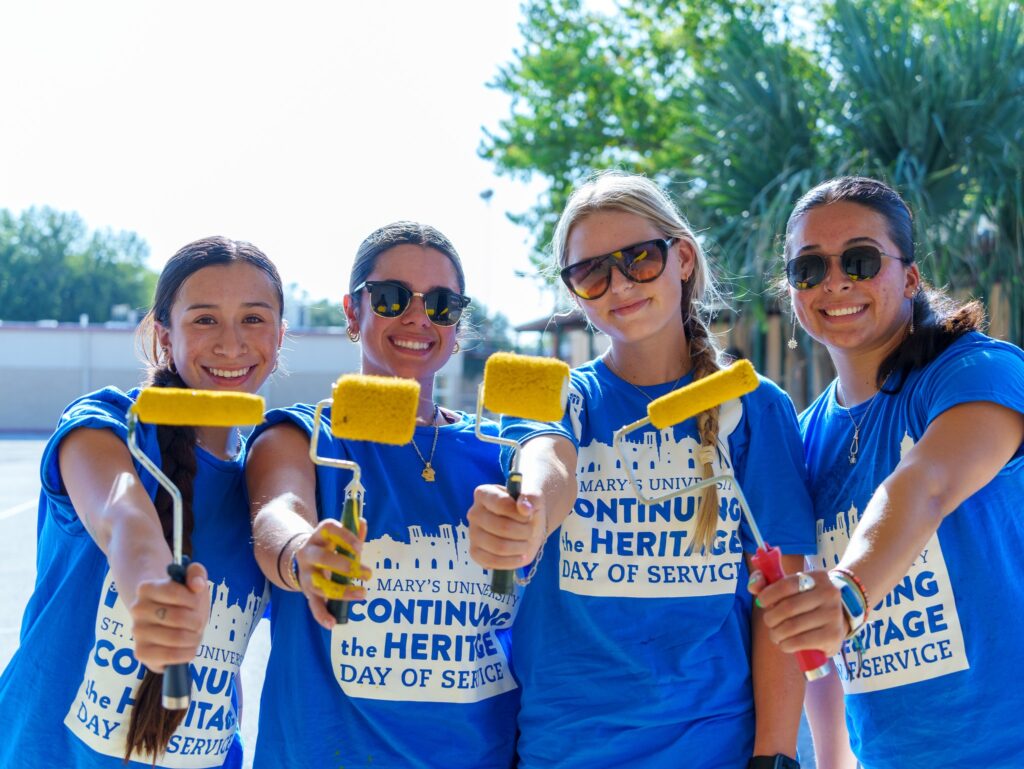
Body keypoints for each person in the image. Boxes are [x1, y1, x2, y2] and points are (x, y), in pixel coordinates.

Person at [468, 171, 817, 769]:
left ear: (682, 258)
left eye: (639, 258)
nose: (620, 284)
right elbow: (548, 460)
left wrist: (776, 757)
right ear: (574, 292)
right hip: (568, 751)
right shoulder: (554, 395)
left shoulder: (755, 407)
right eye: (590, 272)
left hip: (717, 751)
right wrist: (529, 517)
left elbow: (781, 603)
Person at [751, 176, 1024, 769]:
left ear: (910, 277)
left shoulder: (979, 372)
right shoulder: (805, 438)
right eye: (808, 268)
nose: (835, 281)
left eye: (861, 259)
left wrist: (849, 590)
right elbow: (819, 638)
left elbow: (925, 485)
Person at [0, 236, 285, 768]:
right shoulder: (106, 426)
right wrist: (152, 592)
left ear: (280, 335)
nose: (231, 344)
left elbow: (226, 652)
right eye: (205, 319)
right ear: (163, 336)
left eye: (253, 318)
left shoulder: (267, 484)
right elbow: (121, 514)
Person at [246, 221, 518, 769]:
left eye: (442, 304)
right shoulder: (303, 437)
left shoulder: (502, 453)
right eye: (392, 297)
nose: (418, 317)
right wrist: (303, 555)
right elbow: (276, 514)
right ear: (353, 312)